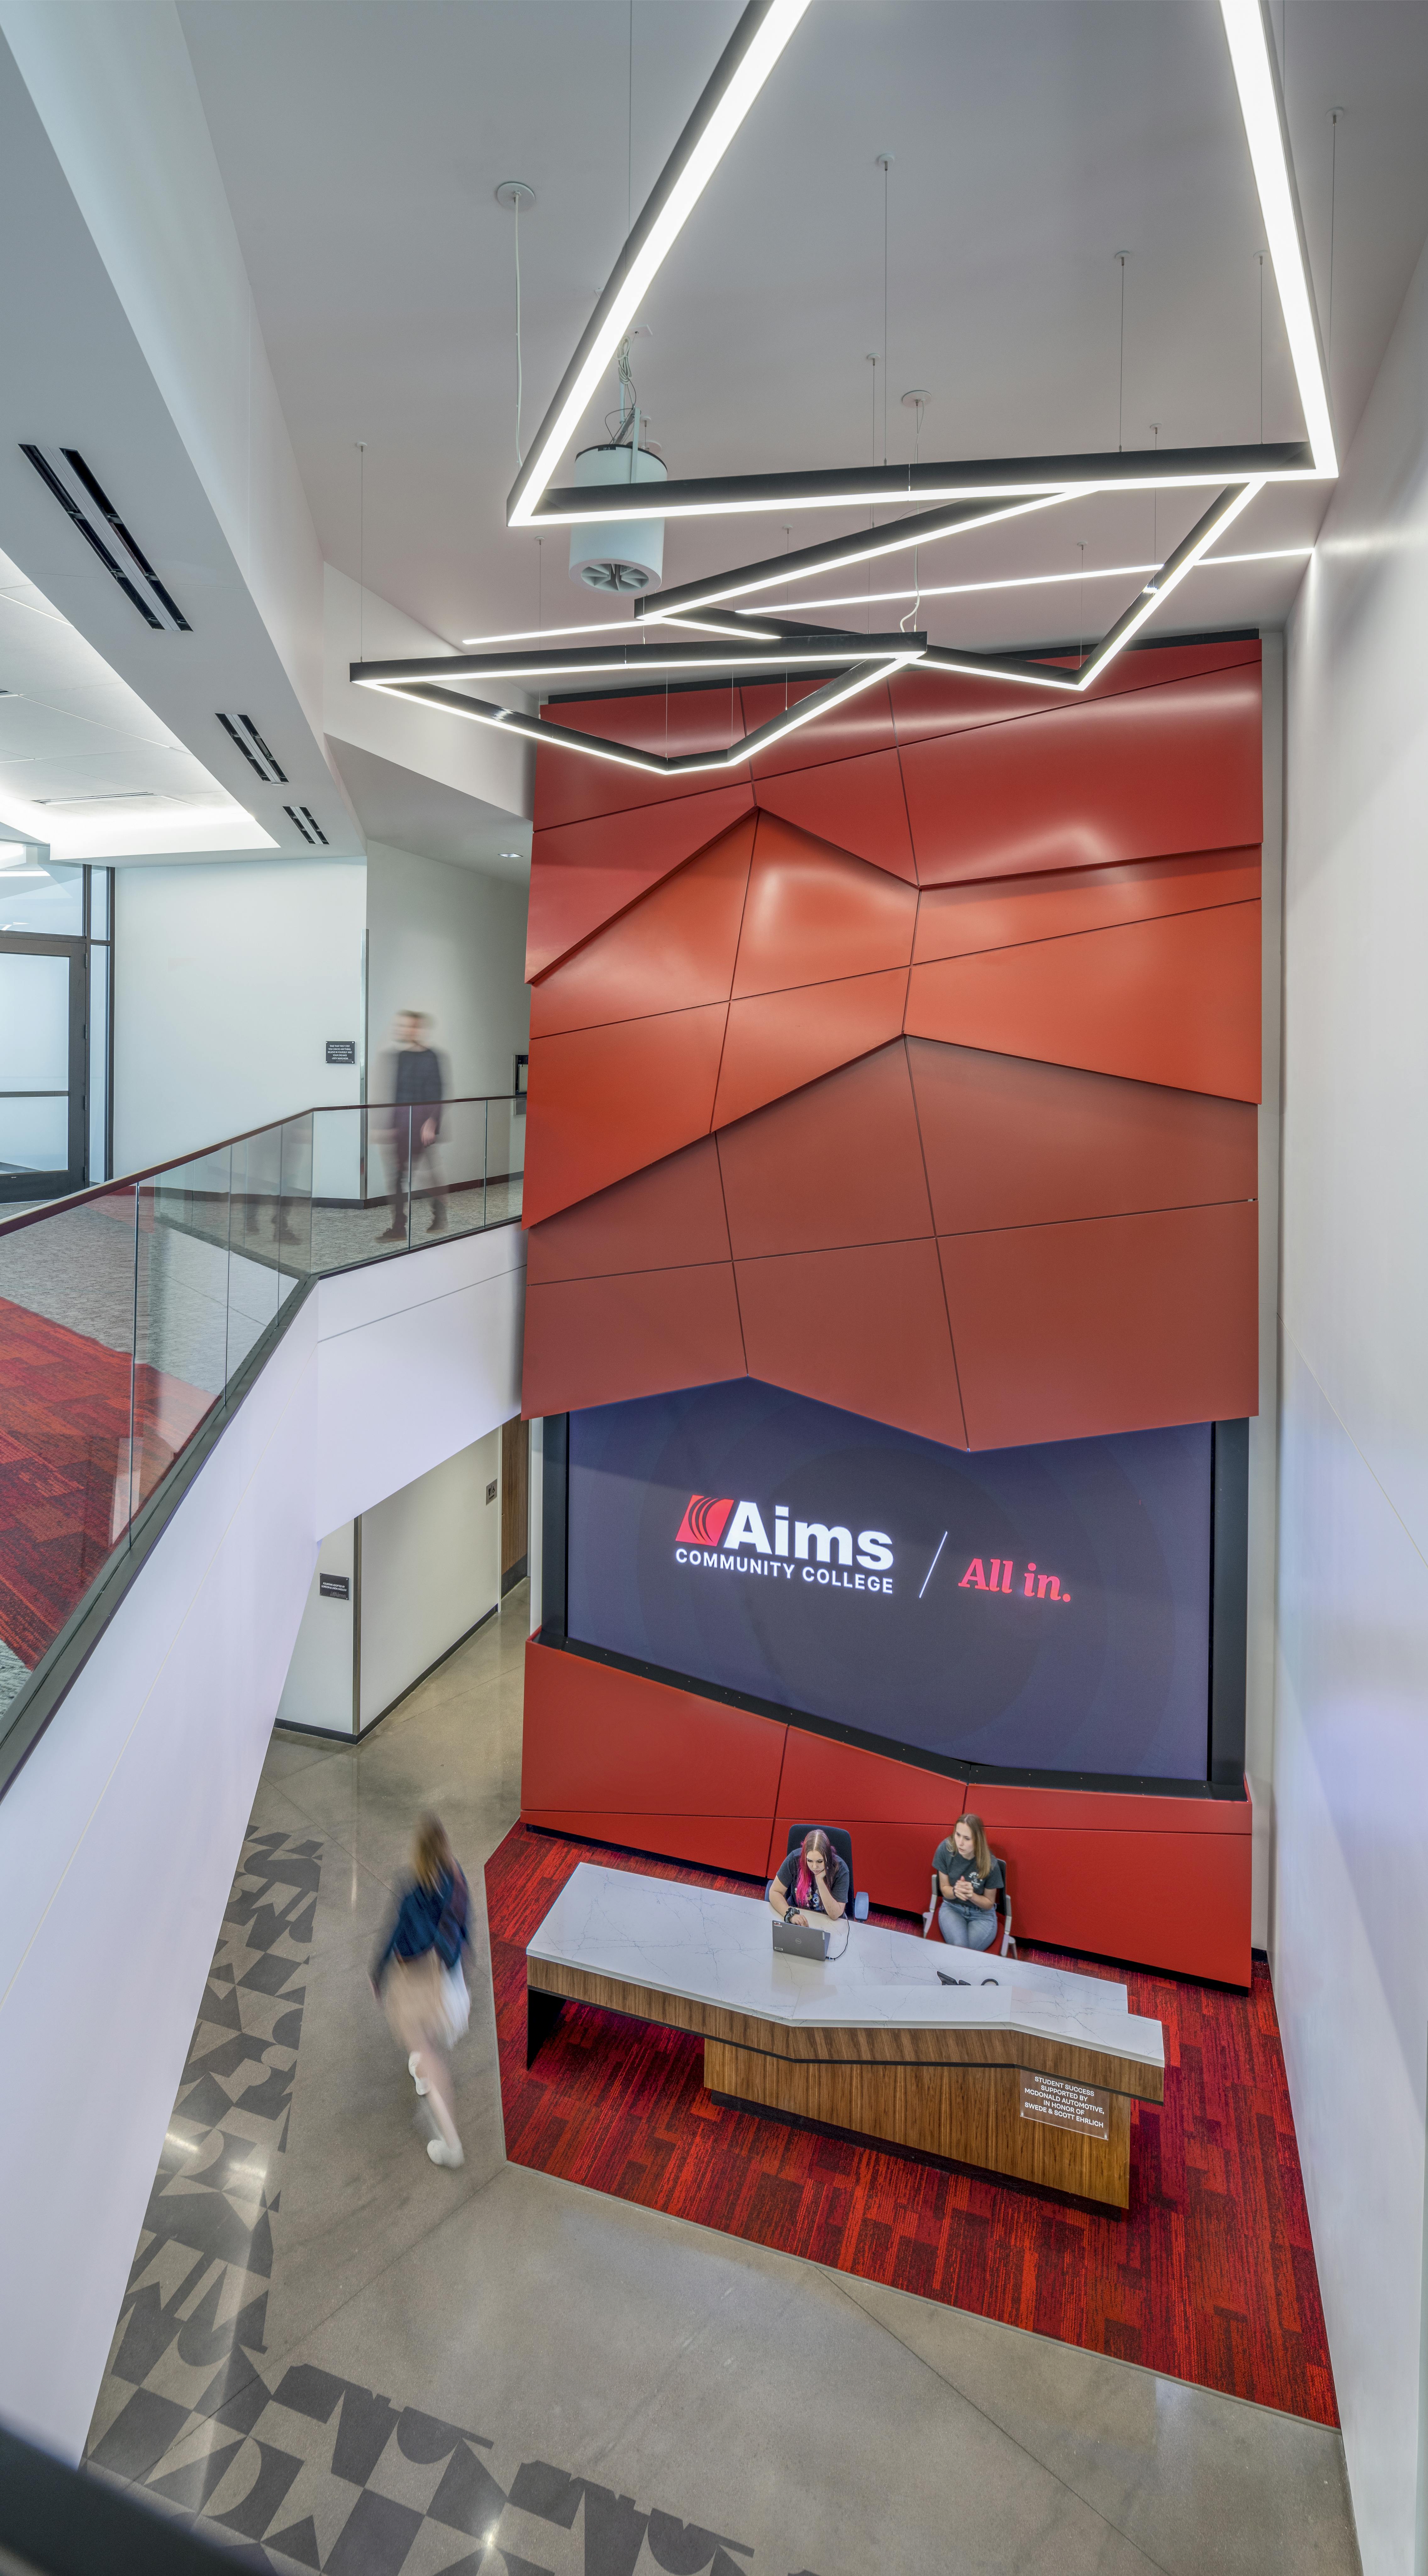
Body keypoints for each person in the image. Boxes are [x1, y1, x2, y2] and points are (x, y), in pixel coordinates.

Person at [370, 1814, 470, 2167]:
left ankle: (451, 2144)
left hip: (416, 1987)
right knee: (424, 2045)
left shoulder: (412, 1891)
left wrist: (377, 1971)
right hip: (448, 1979)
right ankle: (421, 2065)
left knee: (426, 2052)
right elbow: (465, 1928)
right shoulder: (456, 1878)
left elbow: (395, 1936)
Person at [375, 1010, 447, 1243]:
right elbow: (397, 1095)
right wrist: (389, 1127)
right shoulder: (397, 1057)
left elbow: (439, 1091)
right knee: (397, 1176)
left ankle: (439, 1214)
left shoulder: (432, 1057)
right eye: (402, 1026)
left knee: (427, 1174)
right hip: (401, 1122)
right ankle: (398, 1227)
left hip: (422, 1123)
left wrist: (432, 1123)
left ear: (418, 1029)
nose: (404, 1030)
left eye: (409, 1026)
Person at [929, 1814, 1004, 1952]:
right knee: (961, 1949)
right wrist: (955, 1891)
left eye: (967, 1838)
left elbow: (989, 1904)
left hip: (982, 1915)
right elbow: (945, 1889)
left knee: (964, 1952)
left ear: (978, 1841)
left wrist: (971, 1895)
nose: (960, 1843)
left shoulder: (990, 1863)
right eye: (958, 1835)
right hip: (953, 1908)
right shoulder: (945, 1849)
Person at [769, 1827, 849, 1927]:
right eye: (810, 1861)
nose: (815, 1867)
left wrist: (820, 1880)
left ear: (828, 1858)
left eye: (820, 1861)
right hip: (799, 1918)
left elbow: (835, 1915)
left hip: (829, 1923)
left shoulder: (841, 1869)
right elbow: (775, 1892)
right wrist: (791, 1915)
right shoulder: (795, 1859)